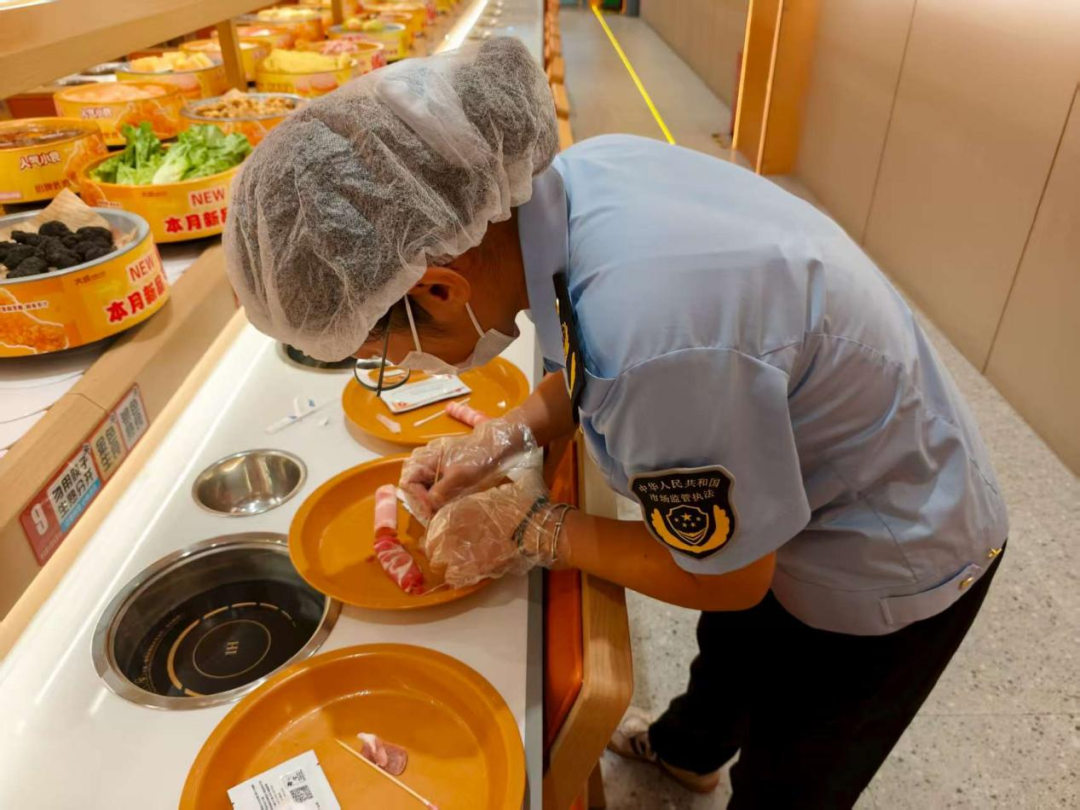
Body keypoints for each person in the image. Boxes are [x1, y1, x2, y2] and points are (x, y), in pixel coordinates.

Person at [225, 37, 1009, 809]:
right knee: (731, 661)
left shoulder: (654, 337)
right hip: (808, 468)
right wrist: (503, 434)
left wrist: (532, 527)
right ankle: (688, 751)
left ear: (437, 289)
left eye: (377, 348)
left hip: (893, 548)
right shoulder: (572, 187)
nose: (394, 365)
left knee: (793, 769)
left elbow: (730, 576)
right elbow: (587, 358)